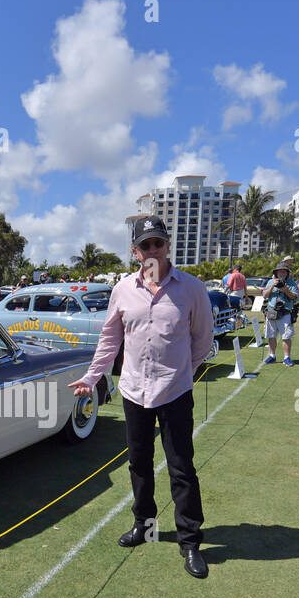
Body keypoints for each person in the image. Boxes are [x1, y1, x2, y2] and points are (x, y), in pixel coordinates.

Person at [68, 215, 212, 579]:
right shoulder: (122, 289)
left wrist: (182, 374)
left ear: (167, 246)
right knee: (139, 463)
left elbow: (203, 340)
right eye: (145, 245)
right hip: (134, 390)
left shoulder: (192, 288)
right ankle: (144, 526)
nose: (152, 250)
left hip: (175, 392)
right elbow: (110, 339)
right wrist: (92, 376)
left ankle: (190, 541)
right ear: (135, 252)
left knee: (181, 467)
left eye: (157, 243)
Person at [261, 258, 299, 367]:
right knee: (271, 335)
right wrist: (273, 286)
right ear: (276, 272)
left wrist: (286, 290)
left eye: (284, 271)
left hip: (285, 312)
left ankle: (286, 358)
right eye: (280, 271)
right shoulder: (270, 282)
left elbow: (295, 298)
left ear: (287, 273)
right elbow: (264, 295)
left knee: (286, 336)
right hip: (271, 312)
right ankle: (272, 356)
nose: (282, 273)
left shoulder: (291, 283)